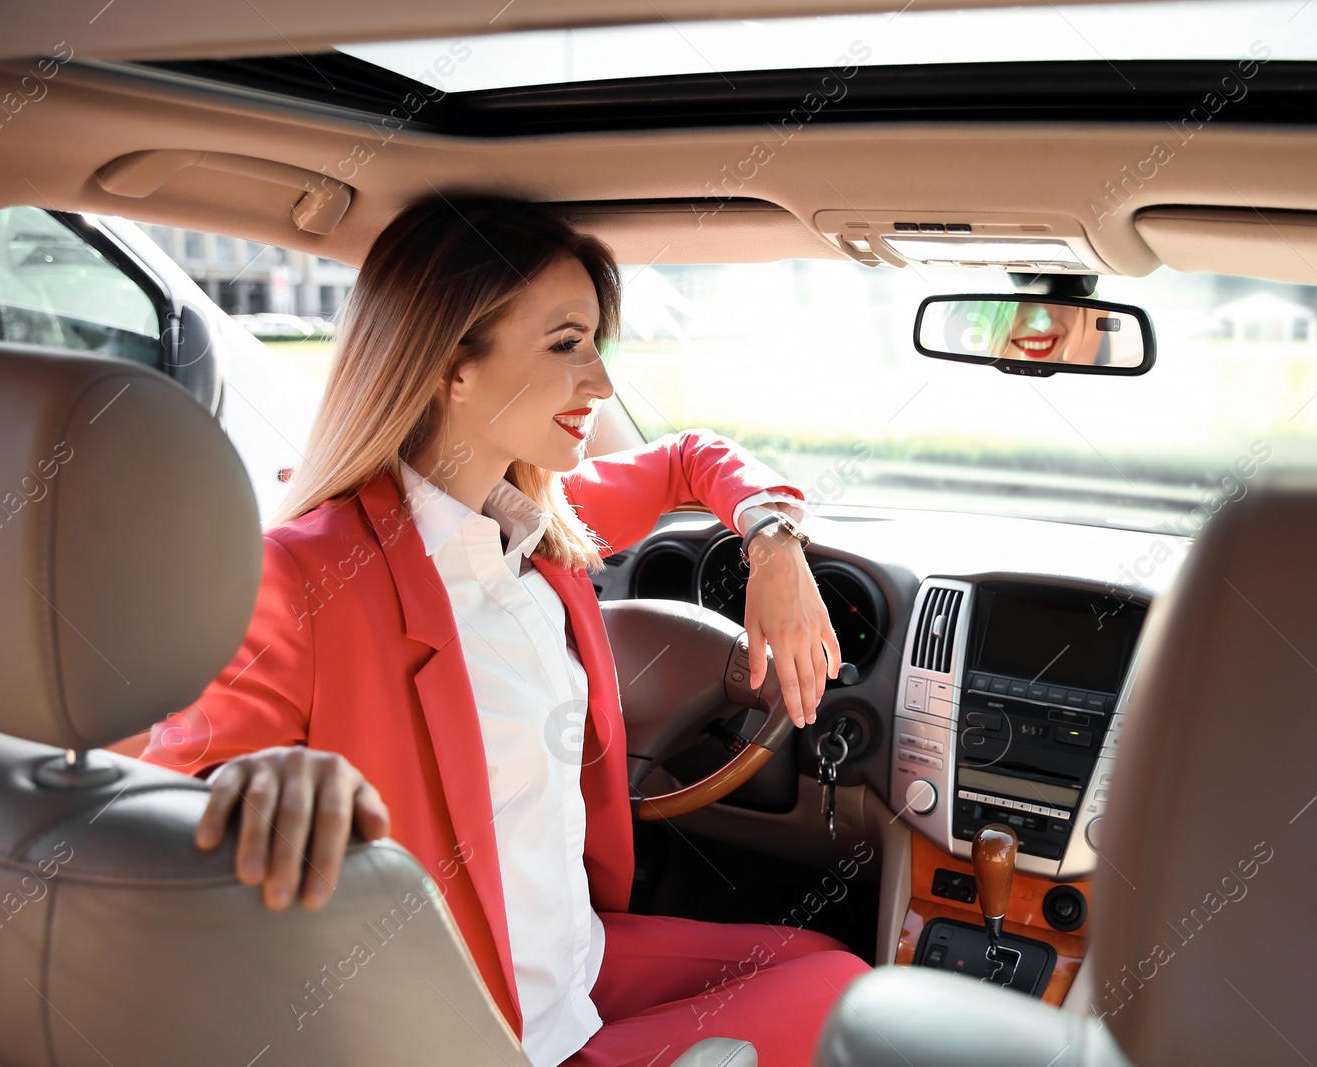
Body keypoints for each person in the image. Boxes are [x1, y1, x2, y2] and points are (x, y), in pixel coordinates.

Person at [143, 193, 871, 1066]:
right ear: (452, 363)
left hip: (573, 966)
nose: (601, 382)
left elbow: (691, 455)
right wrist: (265, 782)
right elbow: (170, 808)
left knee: (830, 965)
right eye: (567, 345)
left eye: (597, 344)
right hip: (472, 1025)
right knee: (848, 1011)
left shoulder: (538, 520)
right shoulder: (303, 573)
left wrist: (774, 544)